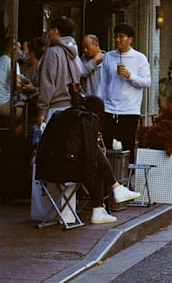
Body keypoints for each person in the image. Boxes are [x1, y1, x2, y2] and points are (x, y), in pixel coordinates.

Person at [35, 94, 140, 224]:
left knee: (94, 157)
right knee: (94, 160)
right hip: (66, 170)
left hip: (45, 169)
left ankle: (105, 202)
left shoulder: (60, 115)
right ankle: (112, 192)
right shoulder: (88, 118)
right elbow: (89, 154)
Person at [98, 23, 151, 157]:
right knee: (106, 143)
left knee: (127, 144)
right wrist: (99, 105)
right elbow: (102, 83)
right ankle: (108, 174)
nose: (117, 40)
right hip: (109, 108)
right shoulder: (109, 57)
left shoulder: (140, 58)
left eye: (121, 37)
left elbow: (147, 82)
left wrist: (130, 75)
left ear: (130, 39)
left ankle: (128, 174)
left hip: (129, 108)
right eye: (116, 37)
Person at [36, 16, 86, 124]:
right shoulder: (74, 53)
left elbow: (47, 84)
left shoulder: (52, 52)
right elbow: (81, 72)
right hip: (71, 107)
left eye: (50, 29)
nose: (48, 33)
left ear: (55, 31)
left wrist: (41, 111)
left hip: (53, 109)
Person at [0, 40, 19, 128]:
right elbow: (18, 85)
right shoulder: (11, 63)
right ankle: (13, 137)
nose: (20, 52)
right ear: (11, 49)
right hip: (0, 105)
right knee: (28, 113)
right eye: (18, 48)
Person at [80, 34, 105, 98]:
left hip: (104, 101)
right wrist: (95, 59)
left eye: (87, 47)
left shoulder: (108, 58)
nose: (85, 50)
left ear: (96, 45)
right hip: (87, 100)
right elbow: (82, 72)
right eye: (83, 47)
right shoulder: (83, 59)